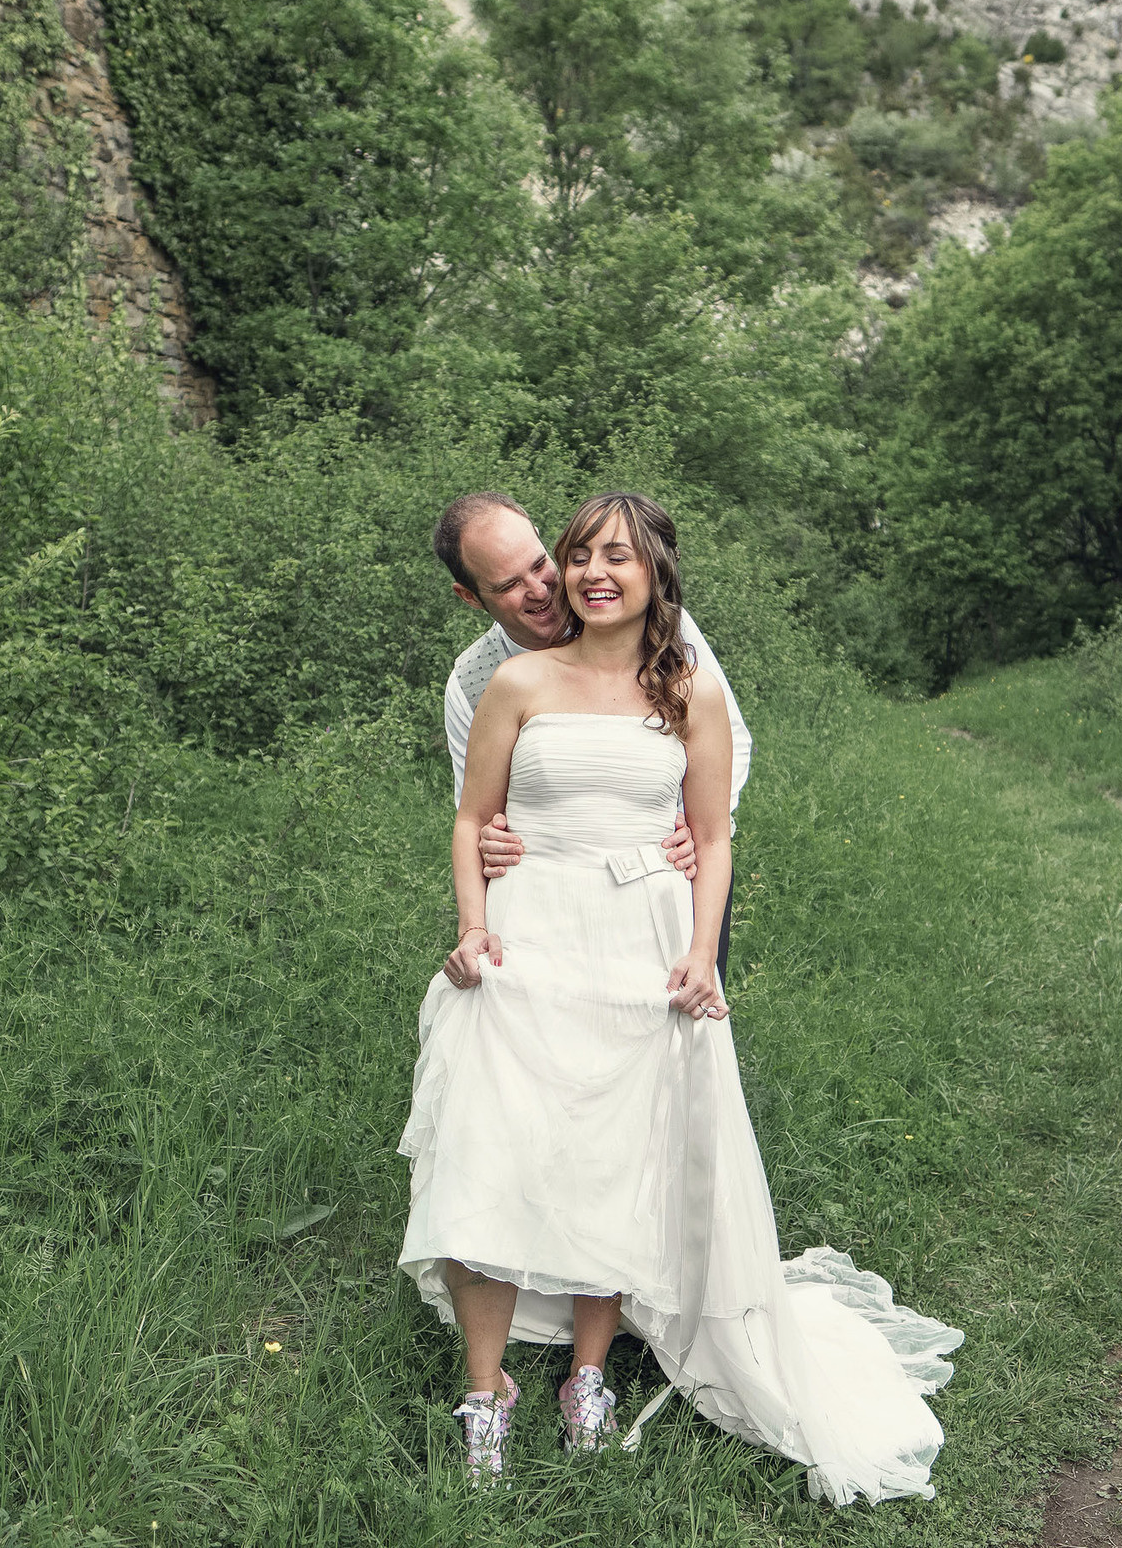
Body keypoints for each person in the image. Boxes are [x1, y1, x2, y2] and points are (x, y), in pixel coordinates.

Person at [396, 491, 962, 1500]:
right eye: (554, 565)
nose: (562, 580)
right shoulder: (495, 680)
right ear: (473, 597)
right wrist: (476, 914)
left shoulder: (681, 673)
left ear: (654, 572)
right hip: (533, 931)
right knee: (494, 1139)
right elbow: (474, 812)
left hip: (644, 926)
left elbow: (714, 815)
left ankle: (590, 1371)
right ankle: (487, 1393)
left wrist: (697, 928)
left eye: (576, 559)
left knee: (624, 1146)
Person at [433, 491, 752, 983]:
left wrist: (689, 827)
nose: (539, 590)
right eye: (510, 585)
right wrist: (489, 840)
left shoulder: (653, 623)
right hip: (543, 900)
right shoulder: (475, 682)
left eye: (540, 565)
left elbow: (727, 737)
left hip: (672, 871)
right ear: (471, 596)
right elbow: (475, 812)